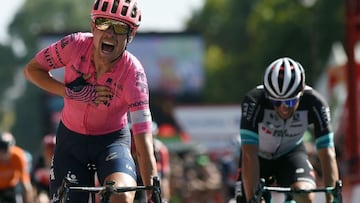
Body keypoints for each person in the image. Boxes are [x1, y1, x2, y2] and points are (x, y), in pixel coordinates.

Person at [23, 0, 158, 202]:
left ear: (131, 35)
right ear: (93, 26)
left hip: (111, 142)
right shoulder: (75, 45)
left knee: (120, 195)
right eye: (103, 23)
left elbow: (144, 141)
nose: (110, 33)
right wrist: (70, 92)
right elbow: (31, 70)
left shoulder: (134, 75)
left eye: (120, 27)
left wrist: (152, 192)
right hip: (71, 142)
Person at [237, 57, 339, 203]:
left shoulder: (316, 103)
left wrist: (332, 199)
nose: (283, 108)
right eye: (276, 102)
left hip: (291, 154)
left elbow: (327, 154)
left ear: (302, 91)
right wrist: (253, 198)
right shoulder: (254, 101)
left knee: (306, 195)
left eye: (290, 101)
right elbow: (249, 154)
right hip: (258, 157)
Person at [0, 131, 34, 203]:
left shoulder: (19, 156)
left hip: (11, 188)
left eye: (5, 150)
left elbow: (26, 184)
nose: (3, 154)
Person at [31, 134, 56, 203]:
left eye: (53, 149)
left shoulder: (60, 163)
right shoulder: (38, 163)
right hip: (43, 190)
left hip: (58, 190)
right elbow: (33, 181)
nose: (50, 152)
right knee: (42, 200)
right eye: (48, 149)